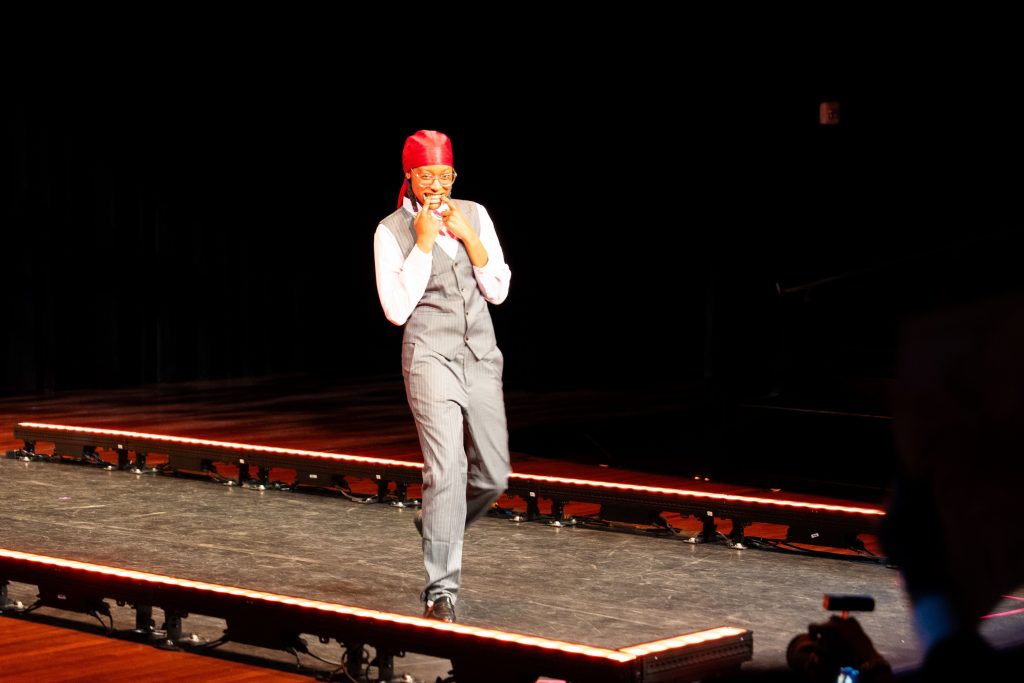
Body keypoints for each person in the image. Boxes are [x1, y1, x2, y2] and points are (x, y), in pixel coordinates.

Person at [373, 129, 512, 623]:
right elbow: (395, 310)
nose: (437, 184)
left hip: (479, 354)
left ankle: (434, 518)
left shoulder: (474, 214)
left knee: (493, 476)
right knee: (445, 471)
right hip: (430, 356)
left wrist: (469, 237)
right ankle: (440, 589)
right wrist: (424, 246)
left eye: (444, 175)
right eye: (426, 175)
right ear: (409, 176)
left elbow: (498, 290)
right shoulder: (390, 231)